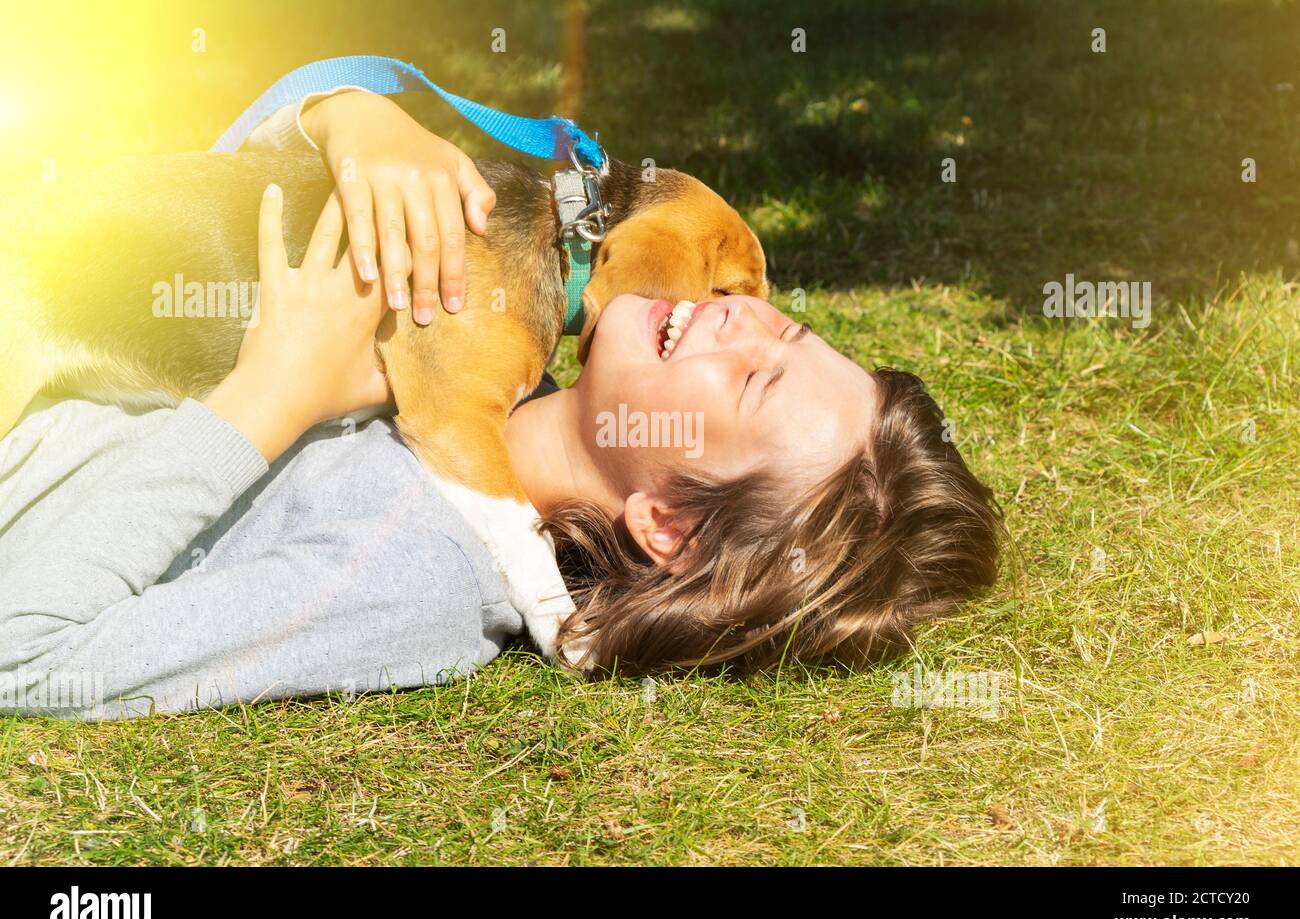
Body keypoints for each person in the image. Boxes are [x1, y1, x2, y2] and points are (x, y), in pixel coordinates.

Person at [0, 92, 1002, 719]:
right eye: (780, 328)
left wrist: (271, 394)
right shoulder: (502, 325)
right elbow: (220, 173)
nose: (732, 323)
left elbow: (23, 647)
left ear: (665, 523)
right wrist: (354, 118)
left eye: (752, 378)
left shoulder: (412, 576)